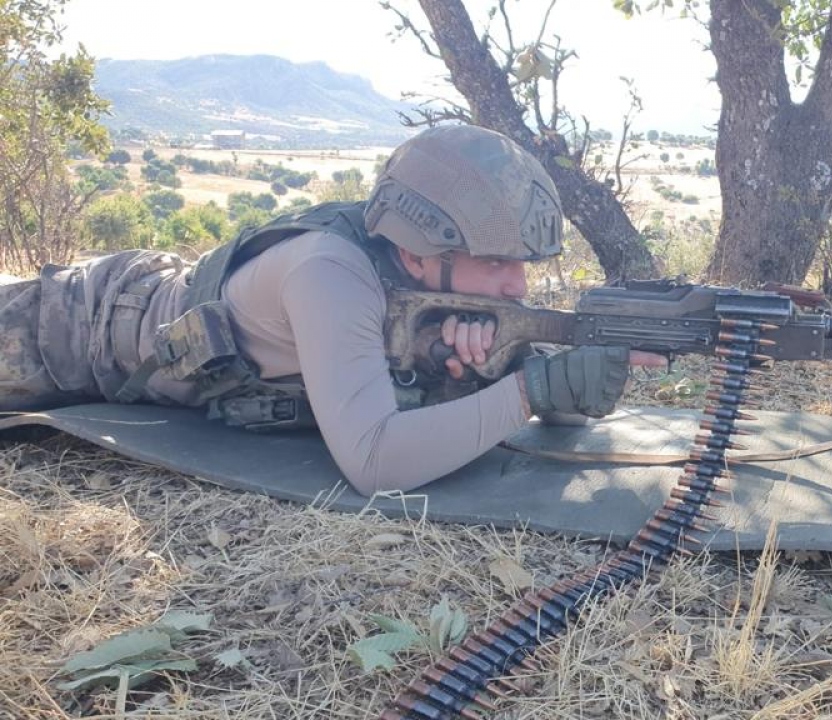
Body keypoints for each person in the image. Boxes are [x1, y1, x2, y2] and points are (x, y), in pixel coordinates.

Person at [0, 125, 662, 496]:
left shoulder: (420, 280)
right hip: (74, 327)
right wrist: (528, 392)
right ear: (426, 245)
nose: (517, 285)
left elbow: (549, 404)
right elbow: (376, 462)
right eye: (496, 261)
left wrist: (550, 380)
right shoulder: (329, 272)